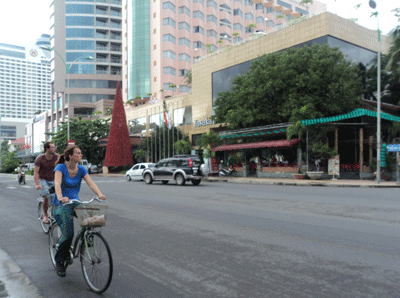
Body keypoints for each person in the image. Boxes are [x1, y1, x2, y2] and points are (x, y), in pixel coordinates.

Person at [53, 145, 106, 277]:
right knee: (68, 234)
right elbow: (57, 184)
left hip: (75, 202)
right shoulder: (60, 168)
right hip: (62, 205)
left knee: (90, 219)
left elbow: (91, 183)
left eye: (81, 153)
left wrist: (100, 194)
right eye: (78, 153)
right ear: (70, 156)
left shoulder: (81, 169)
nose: (81, 155)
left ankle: (85, 237)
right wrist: (60, 198)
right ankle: (60, 261)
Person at [34, 142, 59, 224]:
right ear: (47, 149)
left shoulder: (57, 157)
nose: (54, 148)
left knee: (58, 196)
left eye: (54, 147)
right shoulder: (40, 158)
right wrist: (37, 184)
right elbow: (36, 173)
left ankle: (56, 213)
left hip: (54, 179)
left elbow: (63, 167)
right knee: (46, 196)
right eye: (52, 147)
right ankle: (45, 216)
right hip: (43, 180)